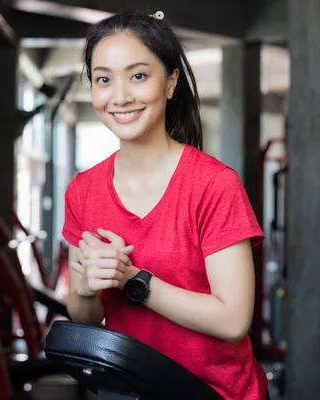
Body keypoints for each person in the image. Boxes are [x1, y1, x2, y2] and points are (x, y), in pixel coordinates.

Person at [61, 11, 269, 400]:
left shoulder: (213, 185)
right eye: (104, 79)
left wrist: (132, 280)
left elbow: (233, 319)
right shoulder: (82, 191)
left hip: (211, 392)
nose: (120, 96)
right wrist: (88, 288)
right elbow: (84, 315)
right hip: (127, 391)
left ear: (170, 82)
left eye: (138, 76)